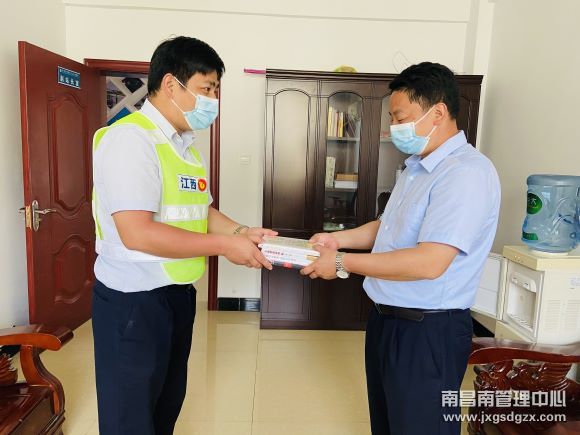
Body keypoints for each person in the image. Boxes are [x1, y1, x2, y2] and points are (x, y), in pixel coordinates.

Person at [301, 62, 501, 435]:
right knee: (389, 424)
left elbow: (429, 262)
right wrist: (338, 240)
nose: (393, 127)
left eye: (401, 117)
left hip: (428, 331)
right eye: (392, 118)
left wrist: (341, 262)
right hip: (387, 320)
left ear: (438, 112)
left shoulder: (465, 173)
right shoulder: (417, 167)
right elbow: (389, 227)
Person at [91, 36, 276, 435]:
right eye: (206, 89)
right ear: (171, 84)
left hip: (176, 295)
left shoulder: (185, 147)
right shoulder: (131, 140)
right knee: (130, 417)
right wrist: (226, 246)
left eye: (216, 90)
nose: (213, 100)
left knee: (164, 406)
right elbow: (137, 233)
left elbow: (200, 212)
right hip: (133, 302)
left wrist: (242, 231)